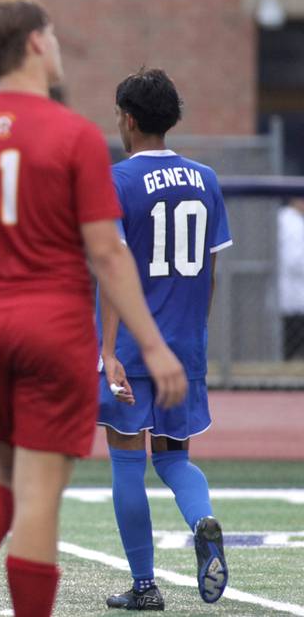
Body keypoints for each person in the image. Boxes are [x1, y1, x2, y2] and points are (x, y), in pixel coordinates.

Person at [0, 0, 188, 617]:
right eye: (52, 33)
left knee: (3, 467)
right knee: (40, 493)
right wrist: (152, 346)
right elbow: (107, 252)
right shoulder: (74, 134)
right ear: (35, 43)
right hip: (53, 325)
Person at [97, 68, 232, 610]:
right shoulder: (207, 178)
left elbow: (111, 271)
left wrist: (108, 352)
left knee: (127, 461)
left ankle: (145, 585)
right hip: (185, 346)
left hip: (132, 345)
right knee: (174, 458)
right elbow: (212, 273)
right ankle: (202, 521)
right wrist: (193, 334)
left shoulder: (117, 181)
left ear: (128, 119)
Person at [278, 197, 304, 359]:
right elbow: (295, 260)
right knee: (290, 347)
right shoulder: (290, 222)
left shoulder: (294, 221)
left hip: (294, 296)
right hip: (291, 296)